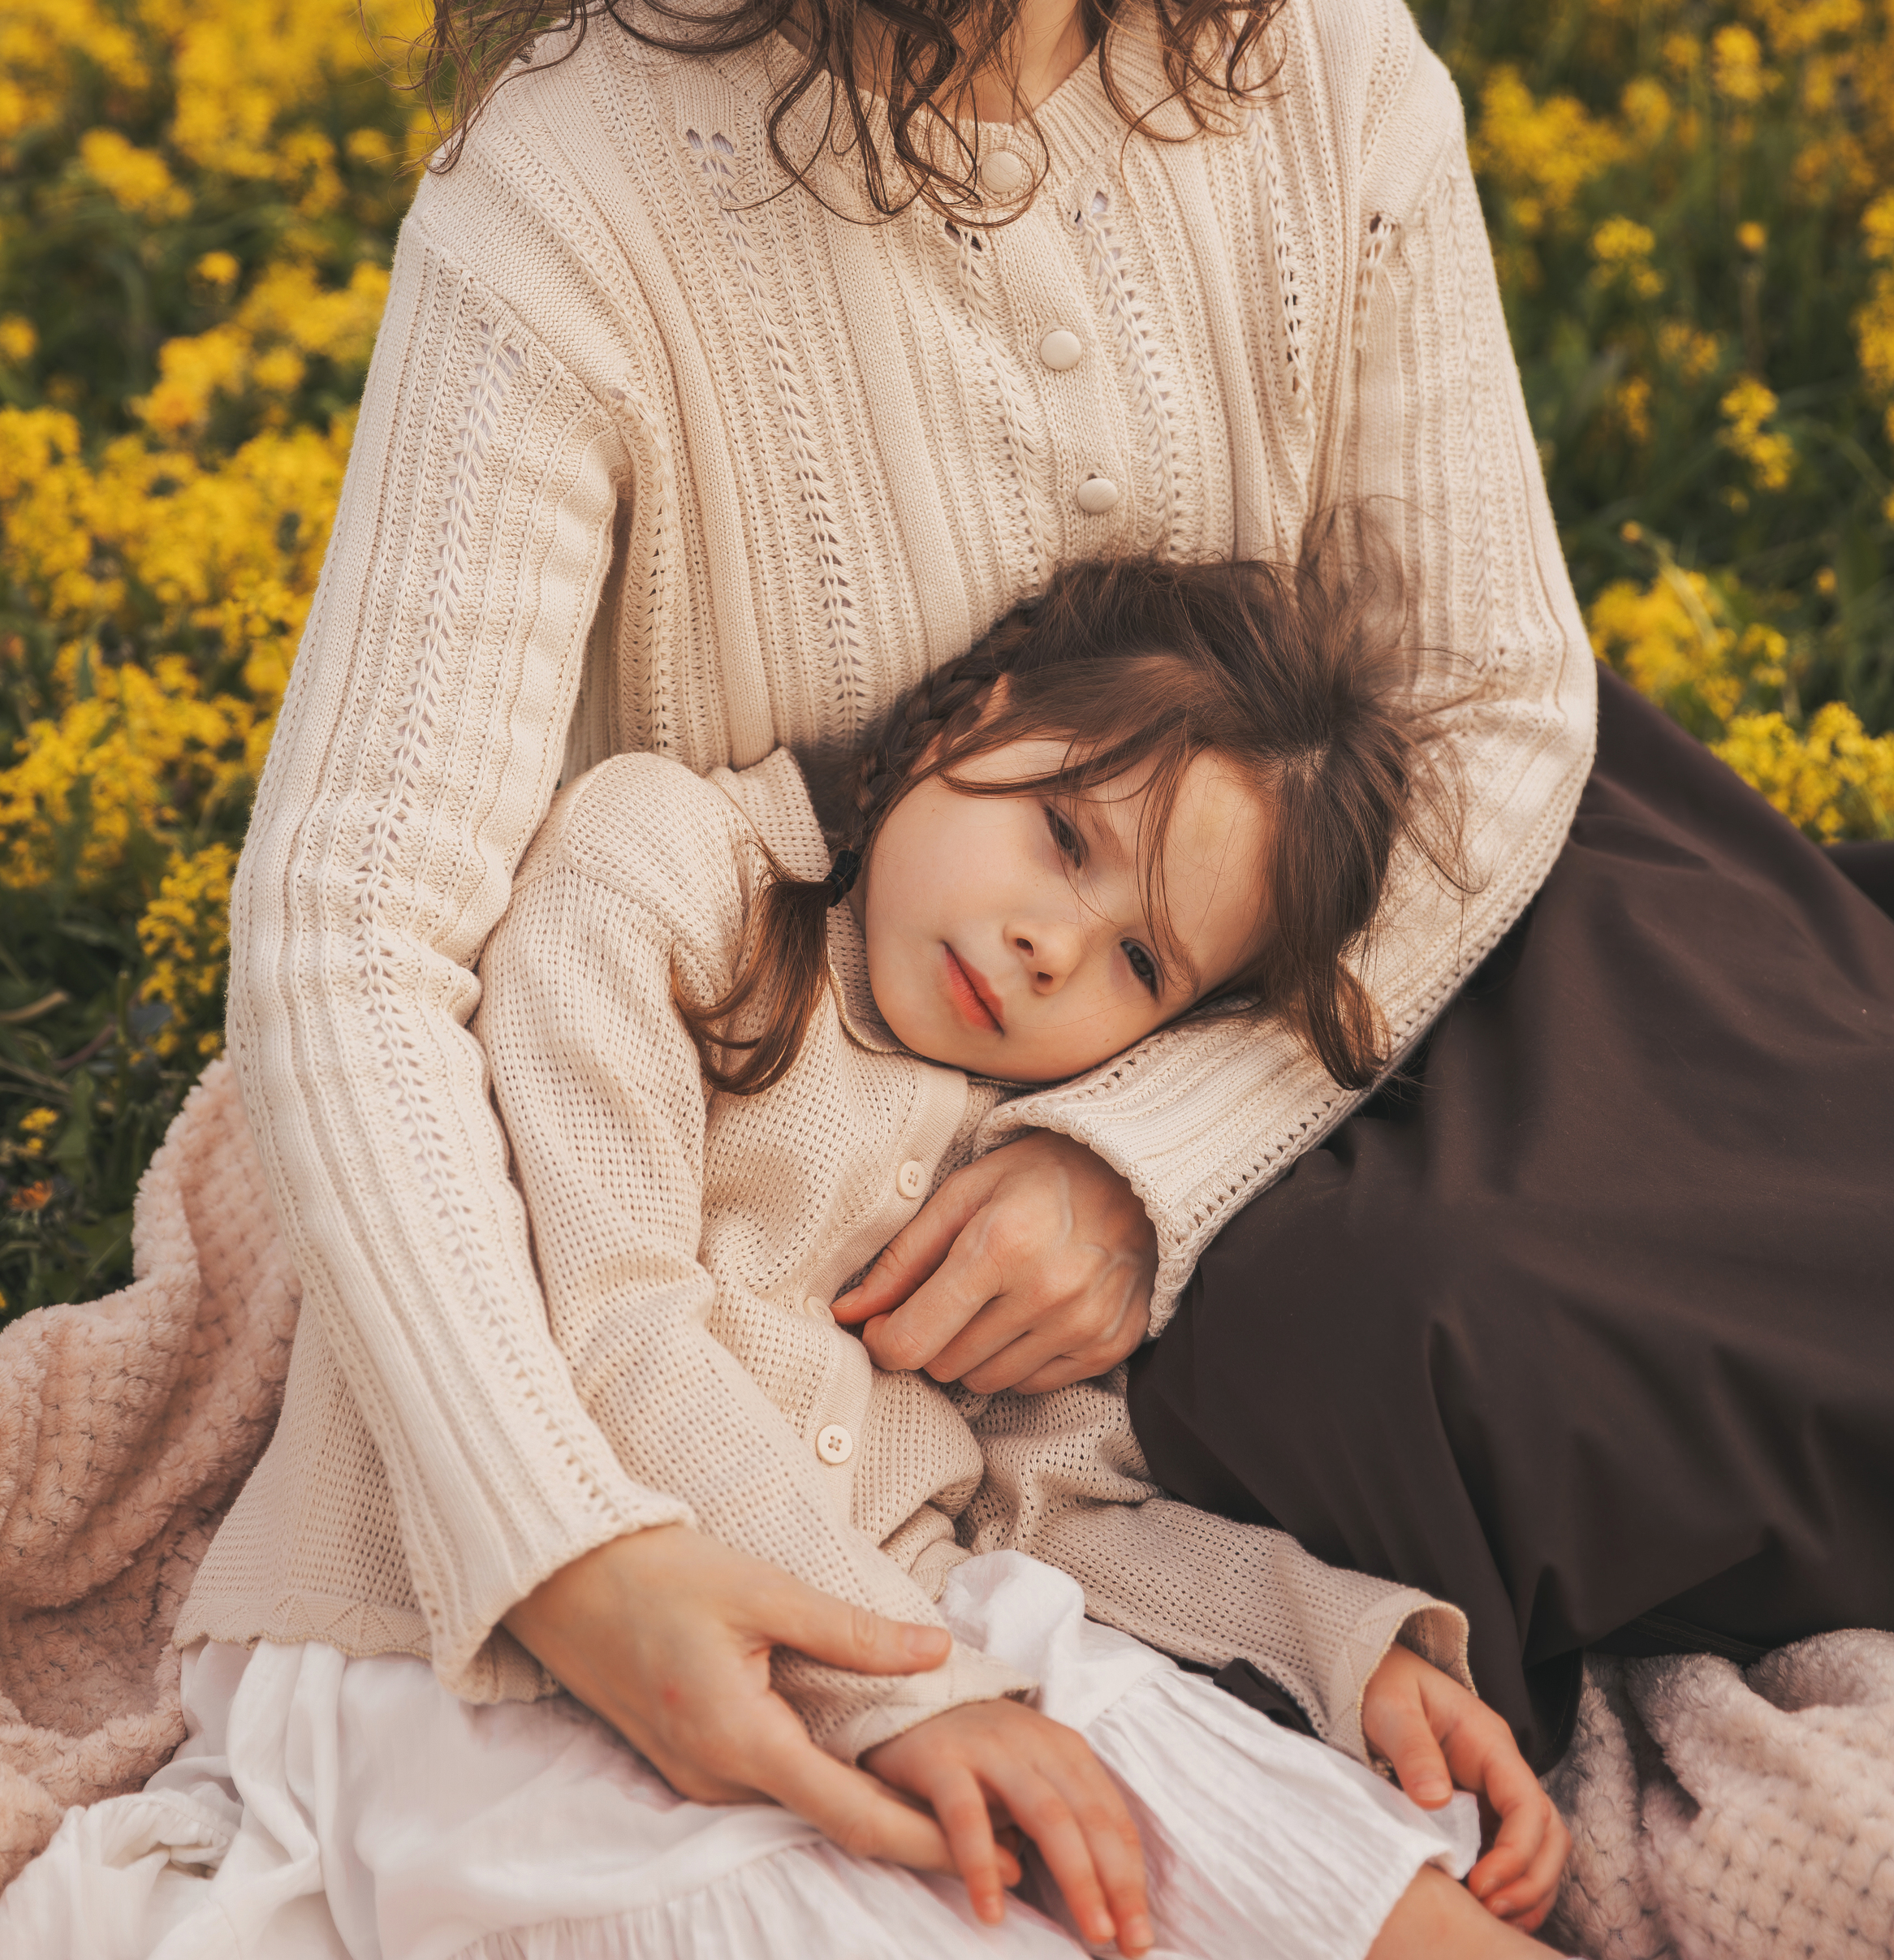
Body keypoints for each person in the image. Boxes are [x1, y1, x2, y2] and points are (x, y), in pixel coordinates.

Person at [2, 553, 1568, 1954]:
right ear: (973, 716)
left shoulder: (1026, 1135)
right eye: (1063, 836)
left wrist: (1332, 1644)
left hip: (905, 1614)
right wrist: (906, 1698)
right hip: (468, 1626)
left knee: (1256, 1829)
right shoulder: (671, 867)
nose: (1053, 947)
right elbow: (607, 1318)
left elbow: (1047, 1497)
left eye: (1141, 960)